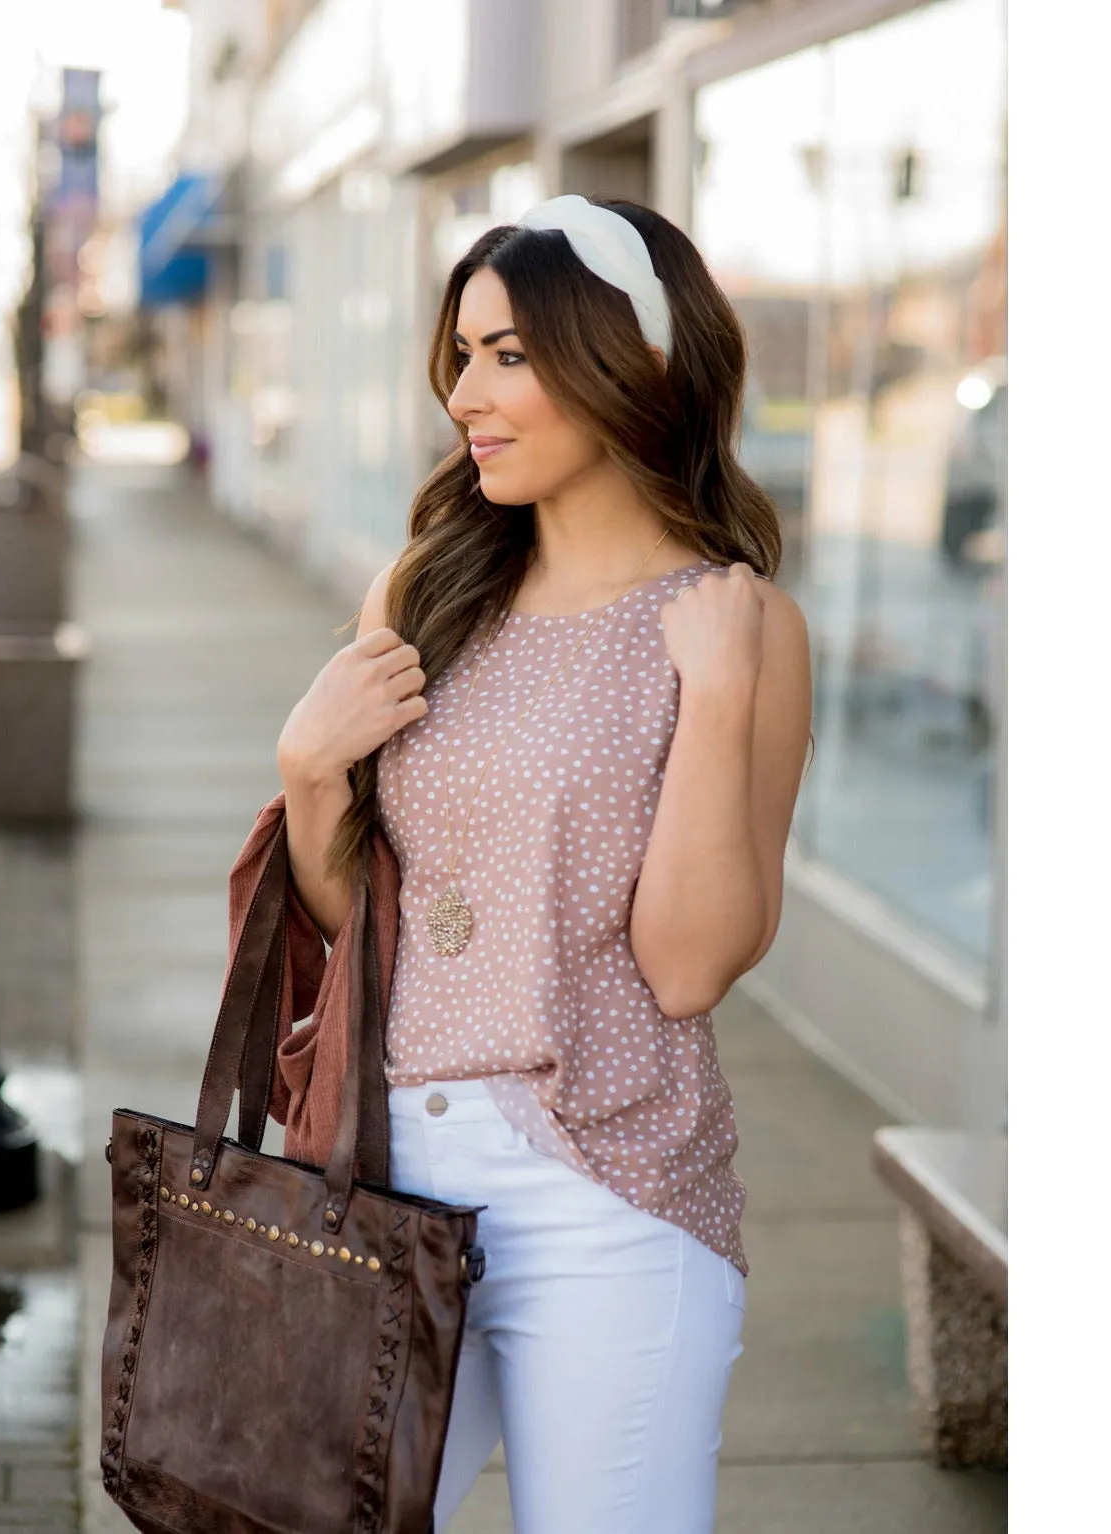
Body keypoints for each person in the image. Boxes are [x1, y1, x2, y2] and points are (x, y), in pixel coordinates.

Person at [275, 194, 813, 1534]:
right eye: (461, 354)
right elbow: (355, 917)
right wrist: (306, 772)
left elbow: (687, 966)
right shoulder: (421, 590)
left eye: (509, 354)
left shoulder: (735, 623)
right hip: (387, 1166)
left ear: (629, 360)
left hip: (612, 1191)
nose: (466, 392)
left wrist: (720, 698)